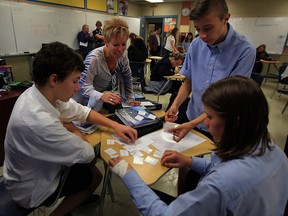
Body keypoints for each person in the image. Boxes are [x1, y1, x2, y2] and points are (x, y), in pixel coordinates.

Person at [109, 76, 288, 216]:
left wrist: (127, 173)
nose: (206, 124)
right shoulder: (275, 152)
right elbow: (218, 167)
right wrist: (189, 161)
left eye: (210, 117)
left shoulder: (222, 184)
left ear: (236, 122)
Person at [3, 42, 137, 215]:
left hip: (24, 171)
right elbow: (88, 155)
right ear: (53, 80)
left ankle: (77, 198)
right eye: (74, 81)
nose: (78, 87)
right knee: (94, 175)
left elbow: (81, 111)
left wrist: (115, 125)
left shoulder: (39, 92)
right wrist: (73, 129)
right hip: (30, 189)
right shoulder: (39, 121)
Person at [165, 0, 256, 141]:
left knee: (217, 162)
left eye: (207, 28)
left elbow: (228, 101)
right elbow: (188, 83)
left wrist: (192, 124)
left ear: (226, 18)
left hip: (220, 125)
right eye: (198, 29)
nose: (202, 35)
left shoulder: (245, 50)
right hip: (193, 115)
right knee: (190, 160)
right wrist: (175, 105)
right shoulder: (195, 45)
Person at [74, 17, 140, 111]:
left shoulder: (123, 55)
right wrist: (101, 95)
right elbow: (83, 87)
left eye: (124, 44)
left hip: (99, 102)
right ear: (106, 42)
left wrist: (129, 99)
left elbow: (127, 76)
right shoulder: (94, 59)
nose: (121, 49)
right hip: (82, 105)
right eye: (116, 45)